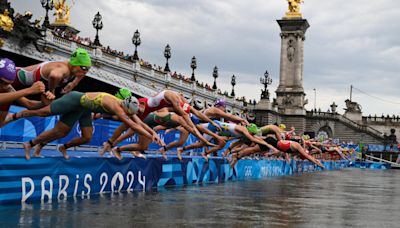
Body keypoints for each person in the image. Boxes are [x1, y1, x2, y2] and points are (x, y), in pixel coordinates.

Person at [6, 92, 164, 160]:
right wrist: (151, 136)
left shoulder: (125, 106)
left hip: (84, 109)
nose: (129, 115)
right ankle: (15, 115)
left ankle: (39, 145)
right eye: (128, 113)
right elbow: (131, 124)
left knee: (84, 137)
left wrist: (153, 134)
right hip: (75, 100)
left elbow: (139, 122)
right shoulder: (116, 106)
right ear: (126, 107)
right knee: (43, 113)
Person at [12, 47, 91, 95]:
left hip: (17, 82)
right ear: (74, 64)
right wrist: (51, 91)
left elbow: (82, 72)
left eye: (88, 68)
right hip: (12, 77)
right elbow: (54, 75)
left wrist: (74, 83)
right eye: (84, 68)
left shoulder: (76, 69)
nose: (85, 72)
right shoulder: (64, 68)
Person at [0, 58, 54, 127]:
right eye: (2, 82)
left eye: (7, 83)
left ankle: (13, 116)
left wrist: (43, 103)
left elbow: (29, 104)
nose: (3, 86)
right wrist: (30, 90)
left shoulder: (6, 87)